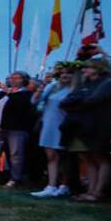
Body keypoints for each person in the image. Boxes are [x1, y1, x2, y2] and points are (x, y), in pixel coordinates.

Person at [59, 58, 111, 202]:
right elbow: (66, 101)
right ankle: (90, 190)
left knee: (101, 158)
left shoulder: (108, 83)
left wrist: (75, 105)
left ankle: (98, 192)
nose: (84, 71)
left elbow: (92, 100)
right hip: (86, 125)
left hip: (101, 125)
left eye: (87, 68)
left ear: (98, 68)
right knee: (90, 159)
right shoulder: (87, 84)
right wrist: (77, 103)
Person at [30, 65, 74, 198]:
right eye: (62, 73)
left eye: (68, 73)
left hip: (64, 124)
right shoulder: (53, 87)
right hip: (49, 123)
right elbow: (35, 101)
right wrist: (40, 89)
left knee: (65, 156)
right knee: (51, 155)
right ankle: (51, 185)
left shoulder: (75, 89)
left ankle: (64, 185)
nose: (64, 76)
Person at [0, 71, 33, 187]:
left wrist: (8, 92)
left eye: (17, 78)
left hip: (16, 129)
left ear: (24, 80)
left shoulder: (26, 94)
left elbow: (18, 105)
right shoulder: (3, 93)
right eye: (12, 77)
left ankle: (14, 179)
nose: (14, 80)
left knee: (15, 155)